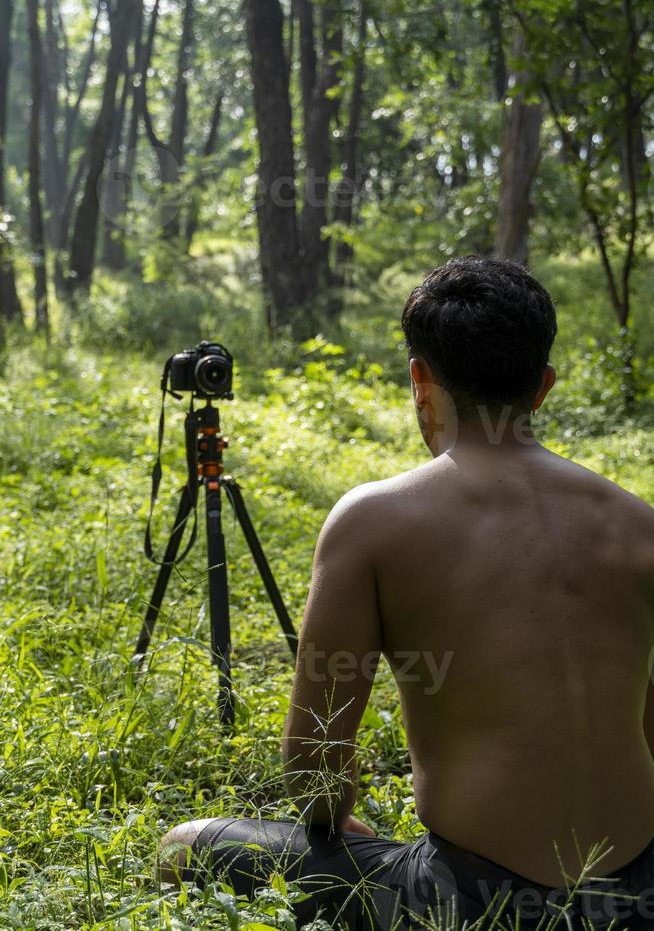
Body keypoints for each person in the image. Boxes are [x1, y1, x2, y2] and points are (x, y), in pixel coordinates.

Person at [160, 257, 654, 930]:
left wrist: (334, 824)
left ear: (420, 378)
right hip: (636, 893)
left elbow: (315, 767)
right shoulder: (636, 523)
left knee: (182, 847)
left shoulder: (374, 521)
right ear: (543, 387)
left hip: (472, 899)